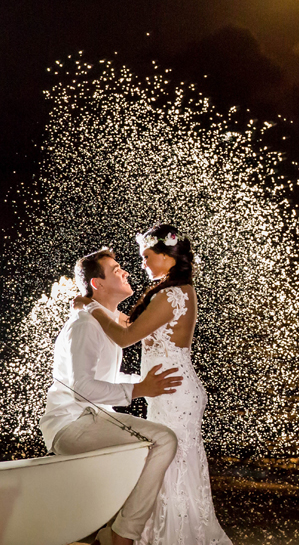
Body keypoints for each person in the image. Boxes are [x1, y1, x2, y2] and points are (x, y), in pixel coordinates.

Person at [81, 224, 232, 545]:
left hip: (174, 392)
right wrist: (99, 307)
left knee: (172, 464)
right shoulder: (172, 290)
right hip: (169, 391)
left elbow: (125, 337)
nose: (143, 264)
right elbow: (131, 323)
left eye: (147, 256)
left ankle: (169, 536)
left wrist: (92, 308)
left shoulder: (172, 294)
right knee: (169, 462)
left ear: (167, 256)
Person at [39, 247, 183, 545]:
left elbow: (106, 380)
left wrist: (145, 383)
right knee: (164, 439)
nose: (125, 271)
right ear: (98, 283)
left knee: (148, 448)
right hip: (72, 423)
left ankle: (103, 533)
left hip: (92, 418)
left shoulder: (105, 322)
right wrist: (139, 389)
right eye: (116, 270)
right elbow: (83, 389)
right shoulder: (85, 325)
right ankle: (122, 535)